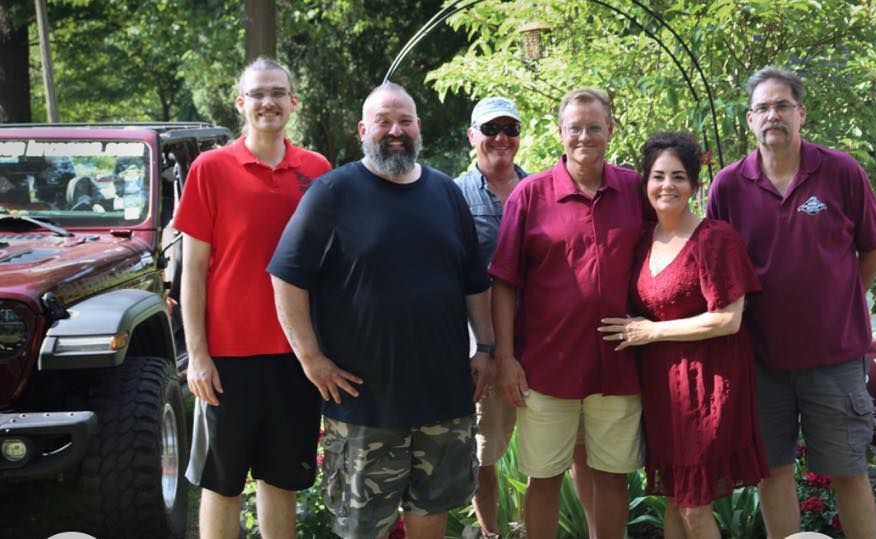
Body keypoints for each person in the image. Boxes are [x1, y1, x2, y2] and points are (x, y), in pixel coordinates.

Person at [268, 82, 491, 539]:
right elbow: (287, 277)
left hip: (443, 396)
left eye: (404, 121)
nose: (395, 131)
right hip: (365, 402)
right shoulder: (332, 193)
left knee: (432, 512)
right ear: (363, 129)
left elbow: (474, 282)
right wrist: (311, 359)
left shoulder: (446, 193)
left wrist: (486, 347)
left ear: (418, 128)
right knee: (363, 527)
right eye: (384, 122)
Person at [706, 66, 876, 539]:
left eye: (783, 105)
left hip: (835, 359)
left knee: (849, 470)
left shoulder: (841, 172)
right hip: (760, 360)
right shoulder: (727, 185)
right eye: (763, 107)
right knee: (773, 471)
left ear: (801, 113)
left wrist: (839, 302)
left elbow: (872, 249)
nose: (773, 115)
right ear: (749, 120)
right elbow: (717, 267)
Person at [177, 57, 331, 539]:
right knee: (222, 484)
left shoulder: (317, 170)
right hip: (227, 359)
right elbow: (192, 273)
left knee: (280, 479)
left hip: (296, 356)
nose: (269, 102)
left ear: (293, 103)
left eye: (278, 92)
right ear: (241, 103)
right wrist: (198, 357)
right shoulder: (211, 169)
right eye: (258, 93)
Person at [490, 87, 646, 539]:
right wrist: (505, 358)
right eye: (575, 128)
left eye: (594, 127)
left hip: (617, 365)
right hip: (545, 367)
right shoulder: (530, 195)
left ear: (610, 131)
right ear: (559, 132)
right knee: (544, 479)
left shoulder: (635, 189)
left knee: (613, 478)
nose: (584, 137)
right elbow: (503, 283)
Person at [598, 132, 768, 539]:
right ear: (645, 183)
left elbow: (728, 319)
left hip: (708, 382)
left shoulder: (715, 239)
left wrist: (652, 331)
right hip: (662, 389)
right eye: (658, 176)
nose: (667, 186)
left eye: (678, 176)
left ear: (693, 184)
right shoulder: (642, 239)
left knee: (693, 505)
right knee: (675, 497)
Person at [453, 96, 597, 538]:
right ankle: (493, 533)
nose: (500, 138)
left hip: (546, 342)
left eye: (510, 129)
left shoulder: (542, 189)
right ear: (472, 135)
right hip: (485, 344)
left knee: (575, 449)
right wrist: (486, 349)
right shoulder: (454, 195)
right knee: (486, 452)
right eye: (490, 128)